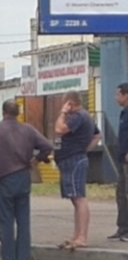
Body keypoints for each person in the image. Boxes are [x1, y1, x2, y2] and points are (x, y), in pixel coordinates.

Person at [0, 99, 53, 260]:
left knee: (5, 219)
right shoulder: (27, 129)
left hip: (4, 177)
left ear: (3, 112)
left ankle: (8, 258)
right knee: (23, 218)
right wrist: (36, 160)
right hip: (23, 176)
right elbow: (47, 146)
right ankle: (23, 257)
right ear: (17, 113)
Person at [54, 91, 101, 250]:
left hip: (74, 160)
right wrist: (85, 149)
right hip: (73, 158)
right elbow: (97, 135)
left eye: (64, 103)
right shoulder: (84, 116)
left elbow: (59, 129)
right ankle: (77, 235)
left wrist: (62, 112)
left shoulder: (78, 116)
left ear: (70, 103)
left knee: (79, 197)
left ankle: (82, 237)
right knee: (75, 198)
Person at [112, 82, 128, 241]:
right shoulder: (124, 113)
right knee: (121, 194)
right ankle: (122, 228)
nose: (116, 98)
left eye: (118, 94)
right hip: (121, 158)